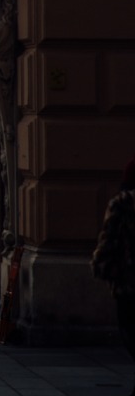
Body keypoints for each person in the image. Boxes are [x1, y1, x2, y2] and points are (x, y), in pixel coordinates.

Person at [93, 157, 135, 394]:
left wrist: (100, 266)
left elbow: (108, 239)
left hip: (128, 282)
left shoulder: (122, 203)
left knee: (129, 330)